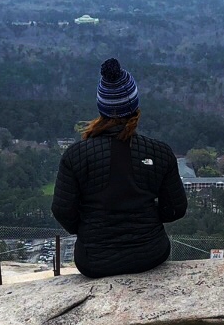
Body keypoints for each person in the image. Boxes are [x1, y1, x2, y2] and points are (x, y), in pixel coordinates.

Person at [51, 58, 188, 278]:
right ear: (135, 105)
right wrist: (146, 223)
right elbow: (176, 209)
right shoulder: (160, 152)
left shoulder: (75, 155)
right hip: (150, 254)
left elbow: (62, 210)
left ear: (101, 106)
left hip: (94, 260)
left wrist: (91, 229)